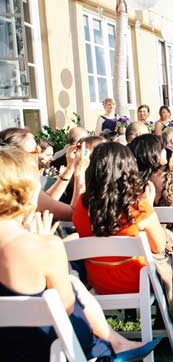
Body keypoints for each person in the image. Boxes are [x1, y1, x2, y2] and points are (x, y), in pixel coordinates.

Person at [0, 146, 161, 362]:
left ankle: (117, 341)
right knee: (72, 285)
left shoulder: (80, 211)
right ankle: (114, 343)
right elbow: (68, 309)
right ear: (26, 192)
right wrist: (42, 241)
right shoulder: (45, 248)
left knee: (74, 282)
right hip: (44, 347)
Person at [72, 142, 173, 355]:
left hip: (98, 282)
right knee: (169, 245)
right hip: (137, 281)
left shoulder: (82, 206)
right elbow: (157, 248)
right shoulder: (137, 205)